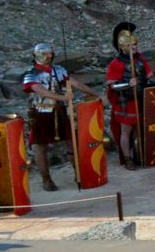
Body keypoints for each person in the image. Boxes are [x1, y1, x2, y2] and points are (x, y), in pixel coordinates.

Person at [23, 43, 99, 191]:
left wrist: (95, 93)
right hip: (41, 112)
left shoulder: (59, 70)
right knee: (40, 146)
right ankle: (46, 179)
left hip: (60, 111)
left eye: (50, 53)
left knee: (71, 142)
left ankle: (79, 174)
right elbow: (39, 89)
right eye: (45, 54)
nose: (49, 56)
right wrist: (62, 97)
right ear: (37, 55)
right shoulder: (31, 73)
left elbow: (74, 83)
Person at [105, 22, 155, 170]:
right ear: (122, 47)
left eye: (134, 44)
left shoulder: (140, 59)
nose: (133, 47)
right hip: (126, 102)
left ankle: (140, 154)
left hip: (141, 100)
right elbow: (112, 85)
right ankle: (127, 158)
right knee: (126, 131)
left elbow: (148, 77)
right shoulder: (116, 64)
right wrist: (129, 84)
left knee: (139, 130)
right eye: (130, 45)